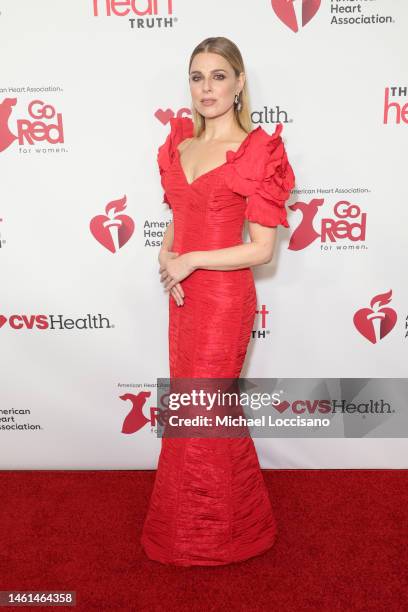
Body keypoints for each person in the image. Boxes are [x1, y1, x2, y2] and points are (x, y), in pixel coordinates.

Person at [141, 36, 295, 566]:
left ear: (239, 83)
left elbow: (262, 248)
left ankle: (216, 537)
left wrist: (194, 261)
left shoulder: (257, 150)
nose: (207, 88)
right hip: (181, 296)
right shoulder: (178, 146)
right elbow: (177, 217)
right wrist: (167, 257)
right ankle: (215, 525)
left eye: (218, 76)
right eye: (197, 77)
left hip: (224, 299)